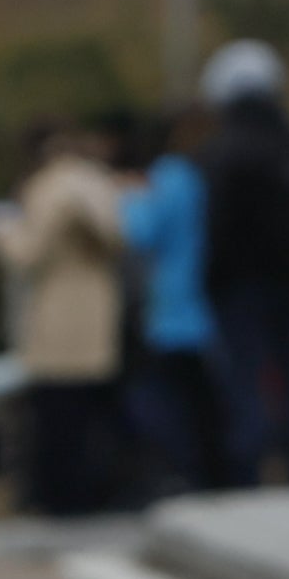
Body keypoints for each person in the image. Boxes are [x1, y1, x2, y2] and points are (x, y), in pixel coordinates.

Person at [0, 117, 130, 517]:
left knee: (53, 423)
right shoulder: (99, 183)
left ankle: (58, 502)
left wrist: (1, 227)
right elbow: (119, 238)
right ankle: (91, 498)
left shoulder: (47, 187)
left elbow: (26, 256)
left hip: (55, 320)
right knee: (89, 420)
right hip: (98, 317)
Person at [194, 39, 289, 489]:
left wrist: (212, 282)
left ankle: (243, 482)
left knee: (245, 390)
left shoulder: (222, 153)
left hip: (239, 292)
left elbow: (215, 231)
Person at [118, 106, 221, 498]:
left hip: (174, 311)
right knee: (205, 406)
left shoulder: (171, 177)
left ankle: (181, 477)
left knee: (170, 407)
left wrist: (127, 195)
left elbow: (138, 232)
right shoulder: (207, 176)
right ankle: (211, 476)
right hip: (209, 309)